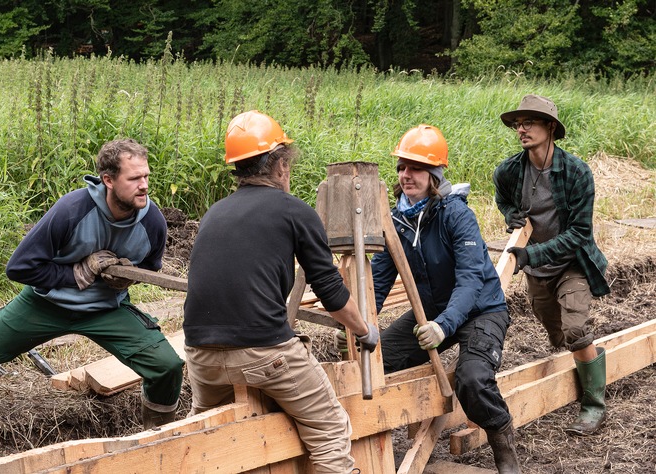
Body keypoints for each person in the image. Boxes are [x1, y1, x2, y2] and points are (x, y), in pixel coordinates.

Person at [182, 110, 379, 474]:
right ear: (280, 166)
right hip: (264, 353)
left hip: (200, 355)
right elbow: (332, 292)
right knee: (330, 430)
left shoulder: (214, 213)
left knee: (210, 441)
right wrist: (365, 330)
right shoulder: (294, 211)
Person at [0, 138, 184, 429]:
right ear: (108, 180)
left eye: (146, 176)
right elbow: (19, 268)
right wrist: (74, 275)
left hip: (105, 309)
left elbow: (149, 267)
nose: (144, 185)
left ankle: (157, 434)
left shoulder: (152, 222)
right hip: (45, 304)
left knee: (166, 366)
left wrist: (123, 277)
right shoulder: (72, 210)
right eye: (134, 178)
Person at [370, 125, 521, 473]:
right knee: (379, 359)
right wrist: (360, 324)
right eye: (402, 168)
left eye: (417, 168)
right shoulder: (394, 221)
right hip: (432, 312)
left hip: (481, 311)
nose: (407, 175)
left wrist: (443, 326)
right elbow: (379, 280)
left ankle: (503, 443)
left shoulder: (457, 214)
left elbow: (470, 281)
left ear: (434, 175)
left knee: (472, 379)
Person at [493, 94, 610, 436]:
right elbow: (503, 200)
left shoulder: (576, 172)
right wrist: (510, 215)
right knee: (558, 334)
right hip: (537, 271)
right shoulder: (509, 171)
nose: (522, 129)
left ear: (550, 127)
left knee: (575, 329)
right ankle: (583, 358)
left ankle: (593, 407)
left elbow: (579, 233)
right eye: (518, 124)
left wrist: (530, 255)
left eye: (529, 122)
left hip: (572, 263)